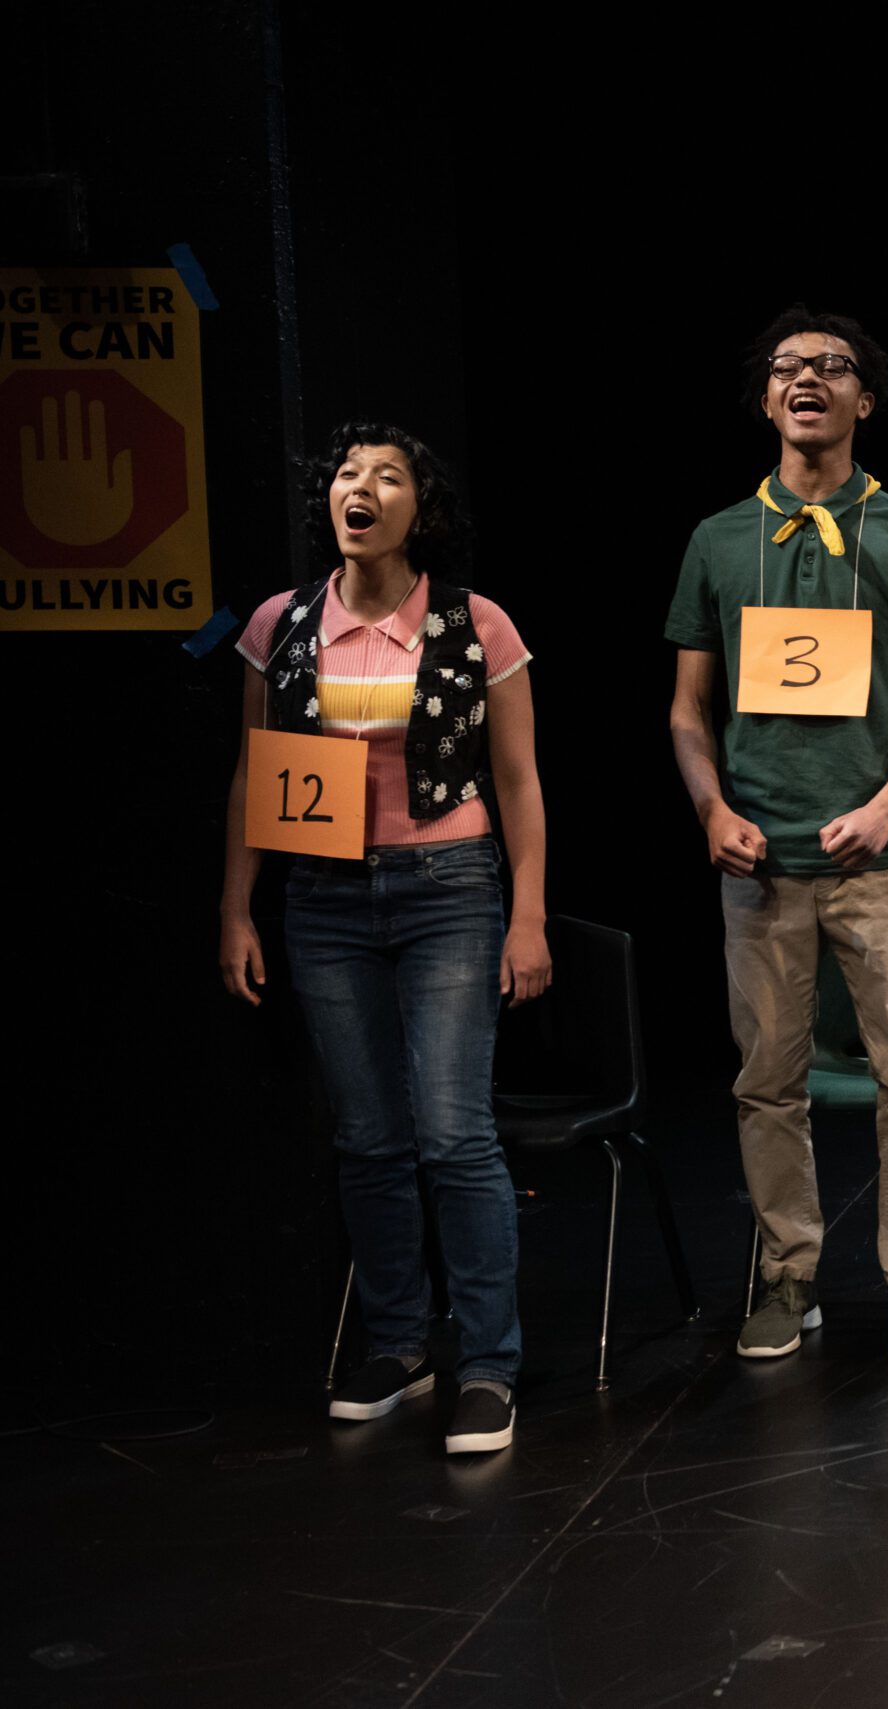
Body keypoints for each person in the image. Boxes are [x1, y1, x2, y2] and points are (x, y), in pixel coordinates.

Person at [220, 422, 549, 1455]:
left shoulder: (471, 622)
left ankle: (488, 1360)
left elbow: (519, 781)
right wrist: (236, 906)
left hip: (447, 885)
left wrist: (528, 909)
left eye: (387, 475)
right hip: (322, 895)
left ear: (422, 507)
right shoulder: (282, 624)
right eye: (348, 475)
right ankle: (400, 1343)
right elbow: (253, 773)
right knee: (367, 1136)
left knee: (453, 1133)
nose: (360, 489)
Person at [666, 306, 888, 1362]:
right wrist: (712, 807)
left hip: (883, 859)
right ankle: (787, 1273)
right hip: (760, 864)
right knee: (766, 1080)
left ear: (863, 400)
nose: (809, 378)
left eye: (832, 366)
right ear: (766, 400)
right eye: (788, 367)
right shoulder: (718, 539)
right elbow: (684, 707)